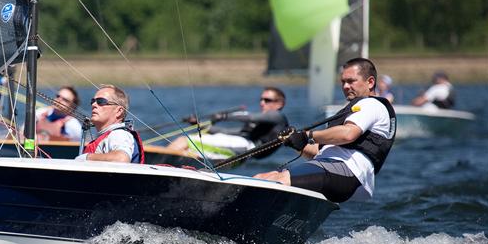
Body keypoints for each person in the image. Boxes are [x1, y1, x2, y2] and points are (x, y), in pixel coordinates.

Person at [254, 57, 396, 203]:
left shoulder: (371, 105)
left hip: (345, 170)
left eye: (351, 81)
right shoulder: (355, 109)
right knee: (263, 178)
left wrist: (308, 135)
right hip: (331, 167)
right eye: (343, 82)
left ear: (370, 82)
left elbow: (348, 134)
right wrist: (296, 143)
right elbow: (317, 152)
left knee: (277, 180)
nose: (346, 86)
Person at [168, 87, 289, 160]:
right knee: (189, 147)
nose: (262, 103)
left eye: (267, 100)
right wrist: (199, 125)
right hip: (242, 146)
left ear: (280, 104)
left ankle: (159, 166)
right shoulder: (260, 124)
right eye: (261, 99)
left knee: (184, 141)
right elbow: (228, 132)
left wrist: (225, 116)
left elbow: (250, 116)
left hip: (245, 149)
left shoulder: (278, 117)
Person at [75, 84, 144, 163]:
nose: (93, 105)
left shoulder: (118, 134)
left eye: (101, 101)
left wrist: (87, 157)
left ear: (119, 111)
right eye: (92, 101)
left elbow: (121, 159)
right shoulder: (109, 136)